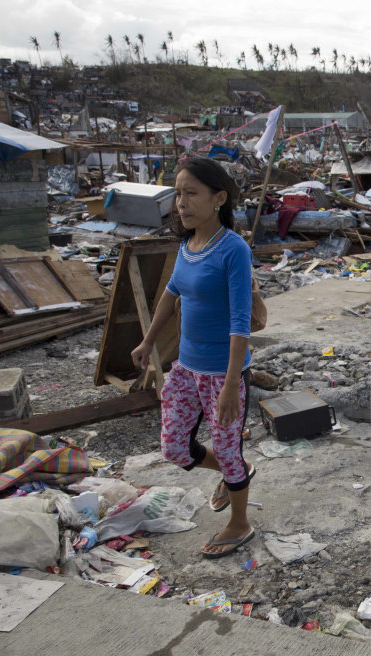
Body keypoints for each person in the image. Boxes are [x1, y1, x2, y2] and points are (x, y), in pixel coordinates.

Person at [131, 157, 258, 559]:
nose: (180, 203)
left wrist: (231, 387)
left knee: (228, 445)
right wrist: (148, 343)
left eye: (191, 194)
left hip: (224, 373)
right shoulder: (189, 245)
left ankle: (240, 522)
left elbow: (241, 323)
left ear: (218, 198)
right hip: (185, 369)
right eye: (178, 194)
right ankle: (233, 470)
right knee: (174, 447)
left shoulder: (233, 250)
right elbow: (170, 294)